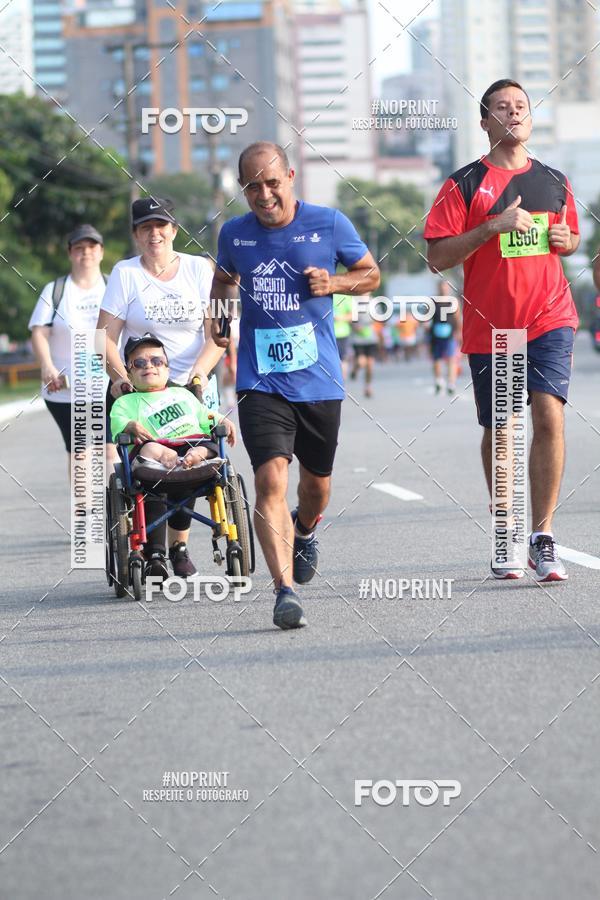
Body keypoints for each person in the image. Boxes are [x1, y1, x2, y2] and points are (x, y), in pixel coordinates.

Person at [210, 141, 380, 629]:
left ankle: (304, 529)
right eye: (252, 187)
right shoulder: (234, 235)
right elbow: (223, 281)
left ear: (290, 176)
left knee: (316, 486)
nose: (263, 195)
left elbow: (370, 274)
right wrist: (219, 318)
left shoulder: (329, 223)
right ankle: (283, 590)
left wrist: (336, 284)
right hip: (259, 380)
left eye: (271, 183)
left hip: (318, 380)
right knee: (269, 480)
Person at [425, 78, 580, 582]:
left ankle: (542, 535)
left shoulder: (554, 180)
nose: (514, 114)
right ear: (485, 121)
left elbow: (570, 236)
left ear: (530, 118)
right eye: (502, 108)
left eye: (521, 107)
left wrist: (565, 239)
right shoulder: (464, 183)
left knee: (549, 418)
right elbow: (437, 257)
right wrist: (491, 227)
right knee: (505, 431)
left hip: (550, 315)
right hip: (496, 327)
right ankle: (507, 531)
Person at [97, 197, 225, 576]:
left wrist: (198, 376)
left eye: (161, 226)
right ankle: (153, 551)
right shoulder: (126, 274)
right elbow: (104, 336)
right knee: (150, 461)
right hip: (143, 386)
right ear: (136, 234)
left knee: (191, 463)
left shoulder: (200, 269)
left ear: (173, 230)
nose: (154, 233)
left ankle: (180, 548)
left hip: (191, 383)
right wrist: (122, 379)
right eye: (145, 227)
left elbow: (217, 334)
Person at [110, 334, 235, 580]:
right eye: (139, 363)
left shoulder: (184, 396)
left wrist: (222, 420)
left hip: (189, 448)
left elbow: (204, 415)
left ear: (167, 368)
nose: (149, 367)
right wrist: (130, 426)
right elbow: (118, 426)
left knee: (208, 444)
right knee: (149, 449)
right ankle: (154, 555)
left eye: (156, 361)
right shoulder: (126, 403)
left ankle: (194, 455)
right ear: (129, 373)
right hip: (154, 461)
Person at [28, 224, 115, 476]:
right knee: (80, 452)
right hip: (66, 391)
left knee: (110, 450)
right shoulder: (55, 291)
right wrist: (46, 365)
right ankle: (84, 511)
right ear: (70, 253)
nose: (85, 252)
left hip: (108, 386)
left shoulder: (112, 286)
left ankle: (118, 512)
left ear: (100, 252)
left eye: (91, 247)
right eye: (79, 248)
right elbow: (39, 332)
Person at [429, 279, 462, 394]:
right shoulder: (433, 301)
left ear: (448, 288)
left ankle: (451, 383)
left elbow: (457, 318)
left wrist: (458, 332)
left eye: (445, 287)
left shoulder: (453, 301)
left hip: (450, 334)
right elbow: (426, 318)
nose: (443, 289)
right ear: (438, 288)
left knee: (451, 358)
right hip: (435, 334)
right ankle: (438, 381)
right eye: (441, 287)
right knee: (437, 358)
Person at [349, 296, 378, 398]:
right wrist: (354, 325)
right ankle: (355, 370)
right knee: (361, 362)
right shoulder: (353, 301)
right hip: (358, 339)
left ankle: (368, 387)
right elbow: (348, 317)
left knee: (370, 365)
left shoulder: (373, 302)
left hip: (371, 338)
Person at [333, 293, 354, 379]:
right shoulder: (324, 293)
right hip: (325, 333)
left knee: (343, 360)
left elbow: (352, 315)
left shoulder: (345, 296)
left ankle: (341, 385)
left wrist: (339, 318)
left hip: (342, 333)